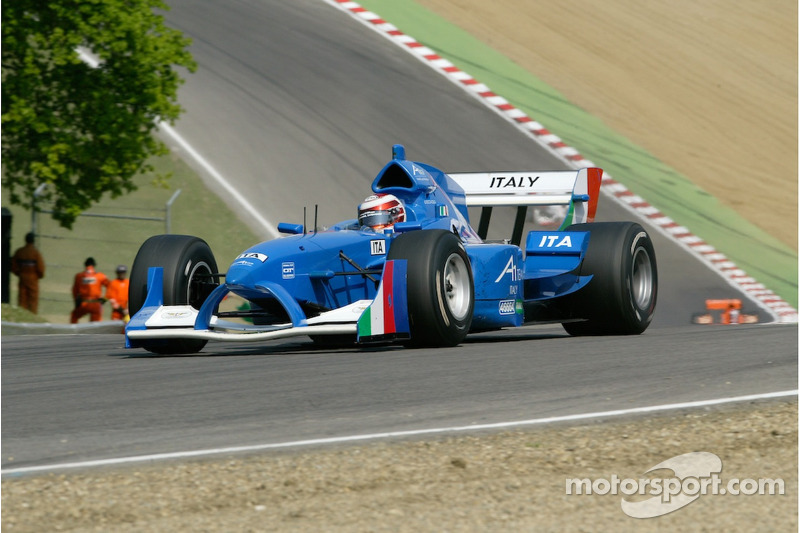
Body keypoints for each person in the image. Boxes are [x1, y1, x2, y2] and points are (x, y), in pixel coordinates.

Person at [10, 232, 45, 314]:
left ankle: (22, 316)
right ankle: (32, 317)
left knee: (22, 298)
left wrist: (19, 273)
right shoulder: (36, 253)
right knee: (33, 299)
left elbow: (13, 265)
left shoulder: (20, 252)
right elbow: (41, 269)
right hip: (33, 278)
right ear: (33, 241)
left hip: (22, 277)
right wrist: (38, 276)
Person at [70, 257, 110, 323]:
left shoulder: (79, 276)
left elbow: (75, 290)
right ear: (94, 265)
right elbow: (110, 286)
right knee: (96, 324)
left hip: (83, 302)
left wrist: (76, 301)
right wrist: (105, 298)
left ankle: (74, 332)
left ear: (85, 265)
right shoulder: (100, 276)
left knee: (74, 316)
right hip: (96, 303)